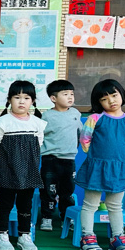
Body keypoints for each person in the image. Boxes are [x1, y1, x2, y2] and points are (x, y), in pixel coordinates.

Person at [76, 79, 125, 250]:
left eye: (114, 95)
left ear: (122, 95)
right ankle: (87, 236)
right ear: (98, 102)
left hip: (118, 168)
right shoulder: (95, 119)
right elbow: (85, 140)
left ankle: (117, 238)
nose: (111, 101)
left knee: (115, 205)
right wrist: (96, 157)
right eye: (104, 99)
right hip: (96, 167)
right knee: (90, 204)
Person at [0, 81, 46, 250]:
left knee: (25, 205)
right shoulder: (3, 122)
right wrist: (6, 161)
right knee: (5, 204)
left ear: (33, 101)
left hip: (29, 171)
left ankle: (24, 236)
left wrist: (26, 160)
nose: (21, 101)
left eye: (26, 98)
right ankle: (1, 235)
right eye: (17, 97)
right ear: (9, 100)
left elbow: (38, 144)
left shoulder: (37, 123)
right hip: (7, 171)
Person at [39, 80, 82, 231]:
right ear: (53, 98)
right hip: (50, 159)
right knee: (48, 190)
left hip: (69, 160)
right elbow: (39, 137)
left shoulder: (75, 113)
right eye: (65, 94)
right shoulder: (47, 116)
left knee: (67, 191)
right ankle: (47, 217)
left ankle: (67, 218)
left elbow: (80, 133)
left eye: (72, 94)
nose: (70, 97)